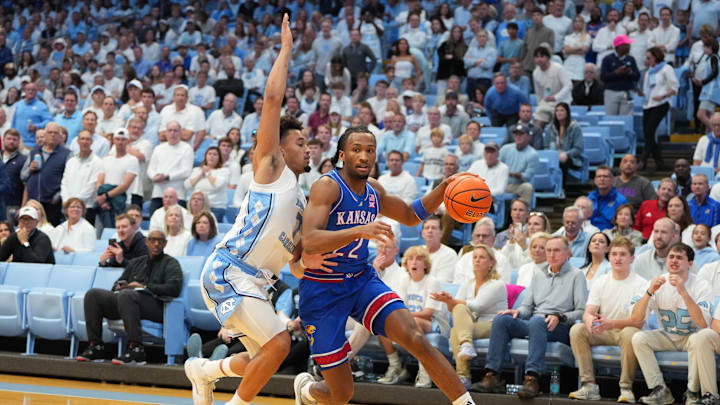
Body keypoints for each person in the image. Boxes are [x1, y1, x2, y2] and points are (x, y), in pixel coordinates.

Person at [183, 17, 330, 405]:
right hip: (229, 270)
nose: (307, 148)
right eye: (300, 142)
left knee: (263, 355)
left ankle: (204, 370)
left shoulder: (304, 202)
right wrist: (285, 51)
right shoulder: (271, 170)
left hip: (256, 284)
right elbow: (271, 101)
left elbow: (297, 265)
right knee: (279, 346)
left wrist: (321, 268)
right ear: (282, 150)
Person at [295, 126, 478, 405]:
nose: (364, 156)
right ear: (342, 155)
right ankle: (307, 390)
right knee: (341, 394)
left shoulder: (374, 190)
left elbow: (409, 214)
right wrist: (359, 230)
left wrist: (444, 188)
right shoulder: (327, 186)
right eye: (356, 149)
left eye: (370, 150)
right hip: (322, 290)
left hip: (360, 280)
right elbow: (309, 240)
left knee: (414, 337)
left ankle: (465, 403)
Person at [473, 236, 587, 399]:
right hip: (536, 323)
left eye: (556, 250)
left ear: (567, 253)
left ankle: (532, 378)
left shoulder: (577, 275)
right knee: (501, 320)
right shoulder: (538, 274)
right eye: (549, 250)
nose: (552, 254)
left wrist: (559, 317)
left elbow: (581, 311)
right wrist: (517, 312)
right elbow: (527, 307)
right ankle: (492, 375)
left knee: (536, 321)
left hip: (560, 327)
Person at [77, 230, 183, 365]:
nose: (156, 244)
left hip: (156, 306)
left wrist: (144, 287)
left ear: (165, 243)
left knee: (128, 295)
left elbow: (174, 288)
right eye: (152, 240)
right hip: (127, 302)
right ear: (146, 242)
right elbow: (118, 282)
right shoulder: (136, 262)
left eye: (160, 241)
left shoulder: (171, 263)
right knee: (93, 295)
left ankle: (136, 349)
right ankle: (96, 346)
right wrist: (119, 286)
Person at [630, 243, 711, 405]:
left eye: (679, 257)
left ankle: (692, 392)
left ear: (690, 263)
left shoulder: (701, 285)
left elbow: (702, 323)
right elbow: (636, 319)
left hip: (691, 337)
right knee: (638, 338)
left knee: (699, 338)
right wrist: (648, 293)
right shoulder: (657, 283)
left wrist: (683, 292)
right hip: (666, 335)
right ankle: (660, 390)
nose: (674, 261)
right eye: (671, 257)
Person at [568, 237, 646, 403]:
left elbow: (638, 322)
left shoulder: (641, 283)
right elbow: (588, 312)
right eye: (614, 254)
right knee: (577, 329)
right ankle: (589, 385)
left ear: (631, 258)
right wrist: (588, 319)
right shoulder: (601, 281)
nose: (617, 258)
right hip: (605, 331)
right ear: (609, 257)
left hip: (628, 331)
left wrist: (611, 323)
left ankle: (626, 388)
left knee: (629, 333)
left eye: (623, 254)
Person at [431, 244, 508, 389]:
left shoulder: (497, 284)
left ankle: (463, 368)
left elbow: (477, 306)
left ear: (491, 262)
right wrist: (448, 301)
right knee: (457, 320)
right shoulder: (468, 283)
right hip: (471, 325)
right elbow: (454, 308)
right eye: (475, 257)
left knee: (458, 326)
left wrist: (452, 301)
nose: (477, 260)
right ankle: (464, 374)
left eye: (482, 257)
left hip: (495, 326)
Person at [376, 246, 445, 388]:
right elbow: (400, 308)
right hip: (412, 321)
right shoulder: (405, 281)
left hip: (435, 324)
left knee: (414, 323)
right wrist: (403, 317)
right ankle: (394, 365)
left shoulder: (432, 281)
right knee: (383, 322)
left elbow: (428, 313)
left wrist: (405, 316)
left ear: (425, 264)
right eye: (410, 259)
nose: (414, 262)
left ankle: (425, 371)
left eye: (419, 259)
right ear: (406, 264)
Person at [22, 122, 71, 226]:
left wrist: (57, 196)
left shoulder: (67, 154)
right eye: (50, 132)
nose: (52, 135)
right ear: (45, 135)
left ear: (60, 136)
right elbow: (23, 176)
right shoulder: (34, 152)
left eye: (56, 133)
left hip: (52, 203)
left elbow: (69, 179)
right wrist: (30, 169)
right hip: (33, 203)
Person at [640, 46, 678, 172]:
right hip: (648, 104)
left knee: (650, 131)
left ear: (656, 57)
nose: (647, 60)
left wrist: (662, 95)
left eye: (649, 57)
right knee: (648, 134)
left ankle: (643, 161)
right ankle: (659, 163)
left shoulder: (666, 69)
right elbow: (647, 89)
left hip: (661, 103)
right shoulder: (649, 71)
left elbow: (674, 88)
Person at [146, 121, 194, 215]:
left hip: (178, 194)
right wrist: (154, 177)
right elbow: (150, 169)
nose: (172, 133)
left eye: (175, 131)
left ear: (180, 132)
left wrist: (167, 176)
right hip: (158, 193)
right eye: (170, 130)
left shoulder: (187, 148)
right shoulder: (158, 148)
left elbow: (186, 171)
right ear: (166, 133)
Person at [96, 128, 139, 229]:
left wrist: (105, 196)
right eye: (118, 139)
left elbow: (125, 185)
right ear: (114, 141)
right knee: (101, 233)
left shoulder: (132, 160)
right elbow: (100, 182)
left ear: (128, 141)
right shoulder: (105, 160)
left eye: (123, 140)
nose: (120, 142)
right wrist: (103, 199)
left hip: (122, 204)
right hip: (104, 203)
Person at [539, 102, 584, 181]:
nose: (559, 113)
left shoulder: (575, 127)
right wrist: (552, 154)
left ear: (567, 112)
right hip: (553, 157)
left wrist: (566, 154)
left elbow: (578, 149)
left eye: (562, 110)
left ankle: (562, 188)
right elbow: (545, 146)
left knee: (562, 160)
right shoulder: (550, 128)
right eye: (557, 111)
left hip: (572, 159)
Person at [184, 147, 230, 221]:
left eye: (215, 154)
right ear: (205, 156)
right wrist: (200, 175)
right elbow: (187, 185)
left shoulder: (223, 171)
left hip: (215, 207)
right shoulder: (197, 170)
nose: (211, 156)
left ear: (219, 158)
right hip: (198, 207)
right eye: (209, 154)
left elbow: (217, 185)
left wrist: (207, 173)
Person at [532, 46, 572, 128]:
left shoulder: (558, 68)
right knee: (537, 123)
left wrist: (556, 97)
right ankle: (537, 140)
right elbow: (539, 92)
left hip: (562, 101)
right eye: (537, 57)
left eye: (542, 56)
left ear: (548, 58)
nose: (539, 59)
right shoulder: (535, 73)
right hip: (546, 102)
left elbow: (568, 85)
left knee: (559, 124)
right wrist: (540, 104)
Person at [600, 35, 640, 116]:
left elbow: (637, 76)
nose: (629, 46)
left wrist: (630, 73)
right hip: (611, 92)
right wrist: (616, 73)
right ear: (619, 46)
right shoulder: (607, 59)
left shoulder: (631, 59)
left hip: (627, 92)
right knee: (611, 119)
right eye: (627, 45)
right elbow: (603, 77)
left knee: (627, 120)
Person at [499, 124, 538, 204]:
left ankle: (525, 214)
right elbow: (496, 165)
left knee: (527, 187)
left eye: (521, 134)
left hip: (518, 185)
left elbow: (528, 176)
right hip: (501, 183)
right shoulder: (505, 148)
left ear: (528, 137)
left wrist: (514, 174)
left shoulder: (532, 154)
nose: (518, 136)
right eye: (516, 134)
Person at [10, 82, 52, 148]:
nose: (30, 91)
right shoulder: (18, 104)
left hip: (33, 144)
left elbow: (49, 122)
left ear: (36, 92)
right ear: (24, 91)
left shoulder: (42, 106)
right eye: (28, 89)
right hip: (17, 144)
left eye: (33, 90)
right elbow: (13, 122)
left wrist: (36, 126)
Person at [587, 165, 628, 231]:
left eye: (605, 176)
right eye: (599, 176)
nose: (602, 179)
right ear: (595, 180)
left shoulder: (620, 200)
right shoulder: (588, 199)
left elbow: (624, 224)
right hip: (590, 234)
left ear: (612, 180)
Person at [2, 129, 27, 221]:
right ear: (3, 140)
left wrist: (23, 207)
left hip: (13, 205)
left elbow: (26, 186)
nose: (11, 141)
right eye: (9, 139)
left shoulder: (23, 160)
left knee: (9, 233)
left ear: (18, 142)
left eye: (14, 139)